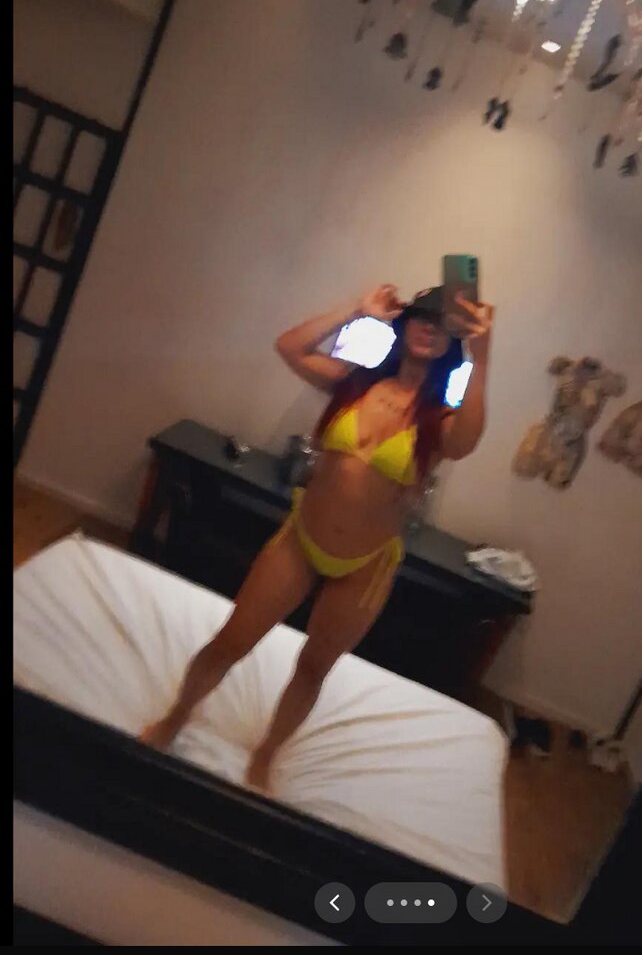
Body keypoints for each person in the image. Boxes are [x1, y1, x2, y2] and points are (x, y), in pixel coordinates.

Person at [141, 283, 493, 789]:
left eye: (443, 327)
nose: (430, 329)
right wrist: (357, 310)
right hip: (301, 540)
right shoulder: (355, 382)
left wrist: (483, 357)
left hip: (366, 563)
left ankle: (265, 756)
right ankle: (176, 718)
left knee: (313, 668)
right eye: (423, 316)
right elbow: (290, 346)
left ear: (451, 345)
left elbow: (468, 442)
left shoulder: (440, 422)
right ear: (405, 323)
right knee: (231, 641)